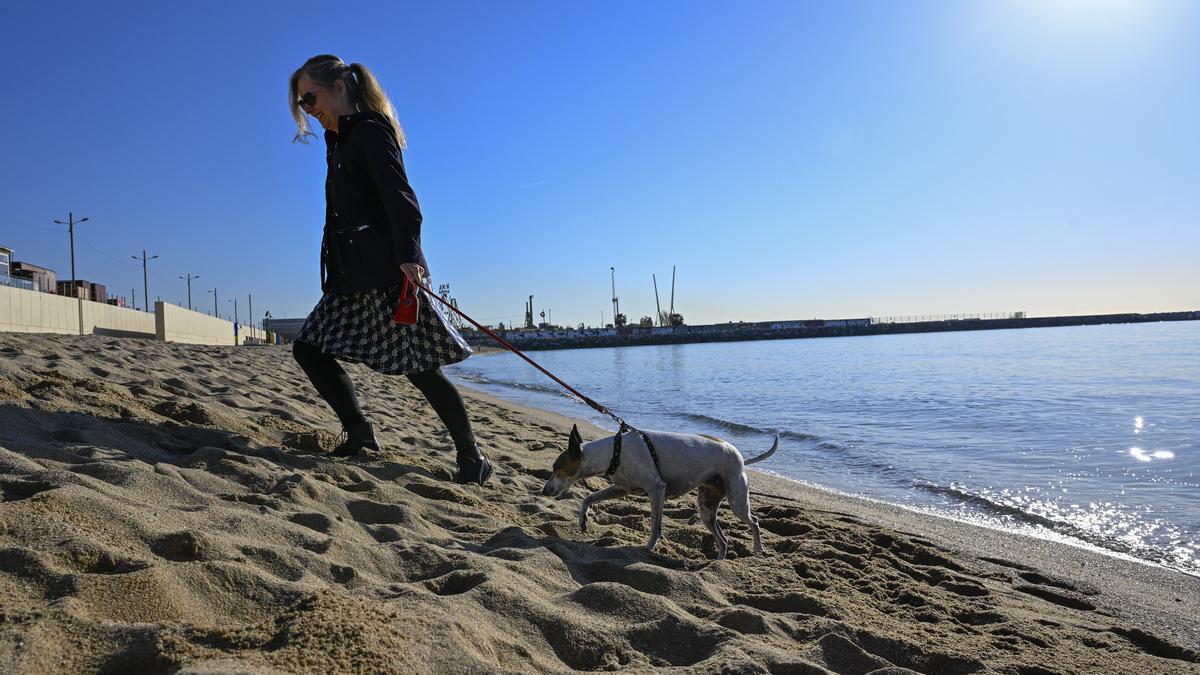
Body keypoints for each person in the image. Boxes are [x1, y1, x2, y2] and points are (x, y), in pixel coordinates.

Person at [286, 54, 491, 485]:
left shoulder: (370, 132)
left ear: (340, 87)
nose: (309, 108)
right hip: (349, 276)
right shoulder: (338, 141)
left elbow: (402, 200)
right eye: (302, 104)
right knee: (309, 349)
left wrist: (411, 257)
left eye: (311, 97)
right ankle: (360, 433)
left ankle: (472, 458)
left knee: (418, 367)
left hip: (385, 271)